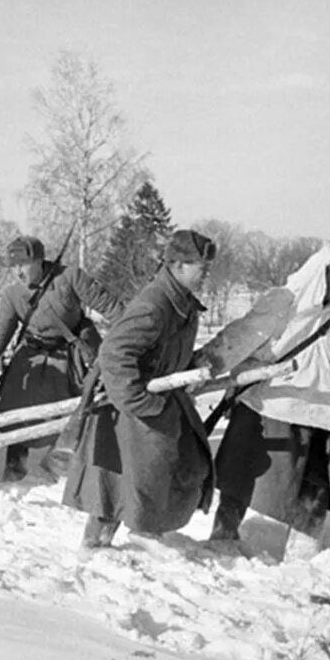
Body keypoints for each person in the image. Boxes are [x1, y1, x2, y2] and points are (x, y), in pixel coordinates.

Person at [202, 246, 330, 558]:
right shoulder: (284, 301)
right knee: (242, 476)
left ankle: (302, 557)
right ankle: (222, 539)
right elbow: (240, 337)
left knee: (314, 488)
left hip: (322, 412)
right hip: (271, 402)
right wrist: (202, 366)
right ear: (325, 276)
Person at [63, 230, 217, 549]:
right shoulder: (155, 303)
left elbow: (164, 349)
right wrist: (139, 401)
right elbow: (115, 352)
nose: (206, 273)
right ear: (177, 265)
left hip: (156, 401)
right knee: (128, 479)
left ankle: (137, 535)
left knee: (153, 475)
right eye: (201, 266)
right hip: (133, 407)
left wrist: (187, 370)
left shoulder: (181, 303)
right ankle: (112, 543)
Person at [0, 235, 124, 481]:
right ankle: (14, 472)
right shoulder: (12, 294)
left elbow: (113, 309)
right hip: (29, 357)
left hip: (68, 356)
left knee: (70, 412)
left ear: (39, 261)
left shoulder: (70, 278)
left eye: (23, 265)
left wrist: (129, 339)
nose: (18, 272)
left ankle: (57, 471)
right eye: (14, 266)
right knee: (15, 410)